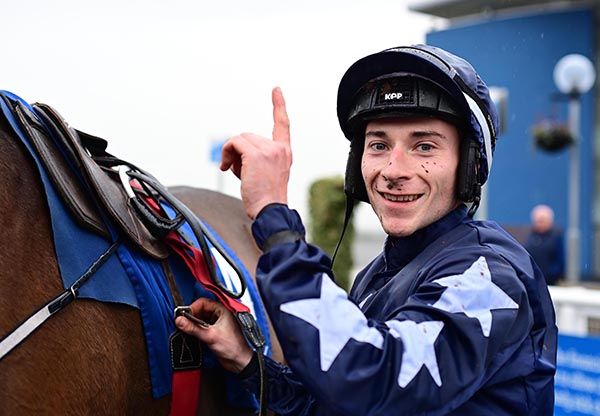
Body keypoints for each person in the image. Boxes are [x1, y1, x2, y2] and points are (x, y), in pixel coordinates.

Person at [176, 45, 557, 415]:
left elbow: (374, 384)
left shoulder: (490, 277)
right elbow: (335, 405)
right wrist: (248, 362)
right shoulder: (378, 274)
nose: (392, 170)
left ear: (471, 166)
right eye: (378, 145)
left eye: (424, 146)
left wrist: (274, 218)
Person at [524, 204, 565, 285]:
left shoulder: (556, 237)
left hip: (550, 281)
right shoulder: (530, 236)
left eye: (542, 221)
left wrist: (550, 275)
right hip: (533, 280)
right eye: (537, 221)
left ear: (549, 221)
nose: (539, 223)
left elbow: (560, 260)